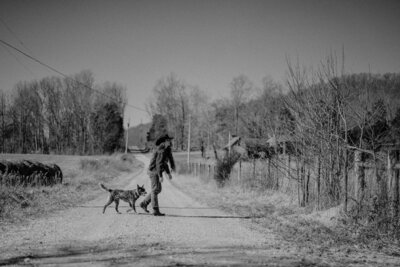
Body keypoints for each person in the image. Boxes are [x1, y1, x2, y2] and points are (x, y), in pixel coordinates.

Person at [140, 134, 175, 216]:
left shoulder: (165, 150)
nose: (170, 142)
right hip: (154, 171)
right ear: (165, 141)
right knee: (155, 190)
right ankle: (155, 210)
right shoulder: (161, 150)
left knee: (158, 189)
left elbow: (164, 163)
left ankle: (144, 203)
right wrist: (160, 176)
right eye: (169, 140)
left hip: (155, 171)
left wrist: (168, 173)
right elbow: (159, 164)